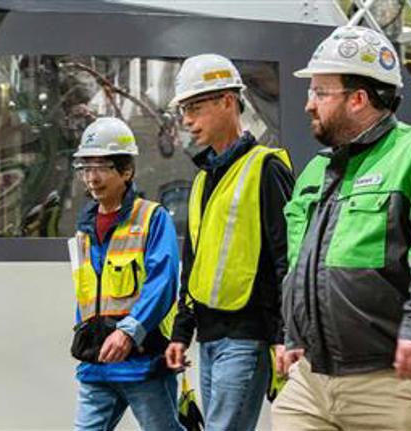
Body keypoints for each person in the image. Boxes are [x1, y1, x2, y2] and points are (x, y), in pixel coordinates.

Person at [273, 25, 411, 430]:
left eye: (319, 92)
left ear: (358, 99)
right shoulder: (316, 172)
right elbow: (299, 266)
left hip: (390, 378)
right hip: (312, 379)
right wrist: (294, 333)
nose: (308, 105)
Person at [161, 54, 295, 430]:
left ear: (226, 101)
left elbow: (288, 258)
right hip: (210, 337)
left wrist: (286, 335)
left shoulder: (266, 168)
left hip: (247, 338)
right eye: (184, 109)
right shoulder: (204, 179)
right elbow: (195, 262)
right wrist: (182, 332)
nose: (187, 120)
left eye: (195, 107)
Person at [69, 117, 183, 431]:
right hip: (97, 365)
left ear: (127, 171)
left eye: (101, 167)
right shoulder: (84, 230)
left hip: (141, 364)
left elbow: (163, 283)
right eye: (85, 168)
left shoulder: (152, 219)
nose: (92, 178)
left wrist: (129, 331)